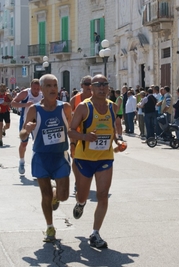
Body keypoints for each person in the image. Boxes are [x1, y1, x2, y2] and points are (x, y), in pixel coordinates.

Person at [68, 74, 125, 249]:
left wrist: (117, 141)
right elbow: (71, 131)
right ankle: (81, 203)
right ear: (91, 88)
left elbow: (112, 130)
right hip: (84, 159)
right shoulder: (84, 107)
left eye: (105, 84)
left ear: (108, 88)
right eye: (98, 84)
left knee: (102, 195)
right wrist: (85, 136)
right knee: (83, 194)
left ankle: (95, 233)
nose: (102, 87)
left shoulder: (113, 107)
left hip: (105, 159)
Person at [19, 74, 72, 242]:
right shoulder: (34, 110)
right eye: (48, 85)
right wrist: (27, 130)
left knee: (63, 196)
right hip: (41, 157)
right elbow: (22, 135)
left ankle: (57, 195)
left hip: (60, 156)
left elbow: (72, 130)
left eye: (55, 85)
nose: (53, 88)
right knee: (45, 195)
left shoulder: (65, 108)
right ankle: (50, 228)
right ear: (41, 89)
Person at [11, 79, 44, 174]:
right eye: (34, 88)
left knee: (38, 143)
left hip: (38, 121)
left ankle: (37, 164)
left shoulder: (42, 94)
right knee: (24, 143)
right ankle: (21, 161)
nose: (36, 91)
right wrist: (25, 104)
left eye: (38, 89)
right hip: (25, 121)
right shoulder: (25, 93)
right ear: (31, 87)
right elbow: (13, 103)